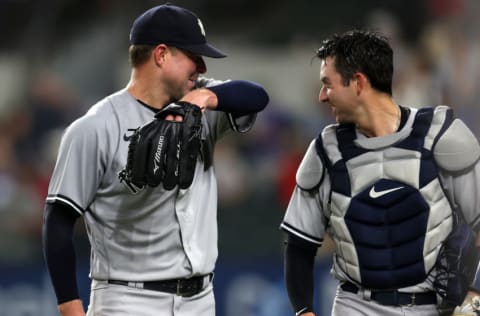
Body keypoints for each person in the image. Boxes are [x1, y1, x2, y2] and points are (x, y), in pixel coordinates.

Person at [42, 4, 269, 316]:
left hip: (200, 299)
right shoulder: (95, 127)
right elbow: (58, 221)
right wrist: (70, 309)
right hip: (128, 299)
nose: (202, 67)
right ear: (161, 54)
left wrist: (204, 98)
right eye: (193, 56)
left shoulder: (203, 104)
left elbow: (257, 96)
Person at [280, 30, 480, 316]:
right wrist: (304, 311)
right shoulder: (326, 152)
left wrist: (475, 291)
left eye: (328, 84)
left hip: (434, 308)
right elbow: (299, 245)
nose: (321, 96)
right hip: (356, 305)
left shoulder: (440, 137)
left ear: (358, 82)